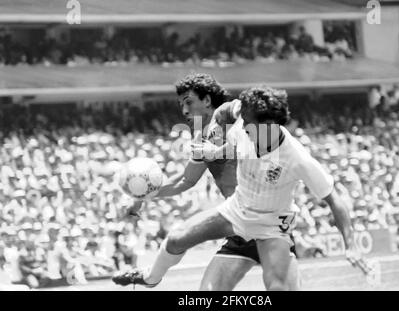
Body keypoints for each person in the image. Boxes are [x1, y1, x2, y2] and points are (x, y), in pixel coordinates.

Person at [114, 85, 367, 290]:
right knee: (177, 238)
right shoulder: (244, 127)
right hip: (235, 212)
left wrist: (351, 244)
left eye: (248, 121)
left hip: (271, 226)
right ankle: (151, 279)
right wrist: (214, 150)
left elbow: (335, 201)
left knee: (278, 289)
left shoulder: (297, 159)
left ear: (269, 125)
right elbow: (234, 141)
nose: (242, 125)